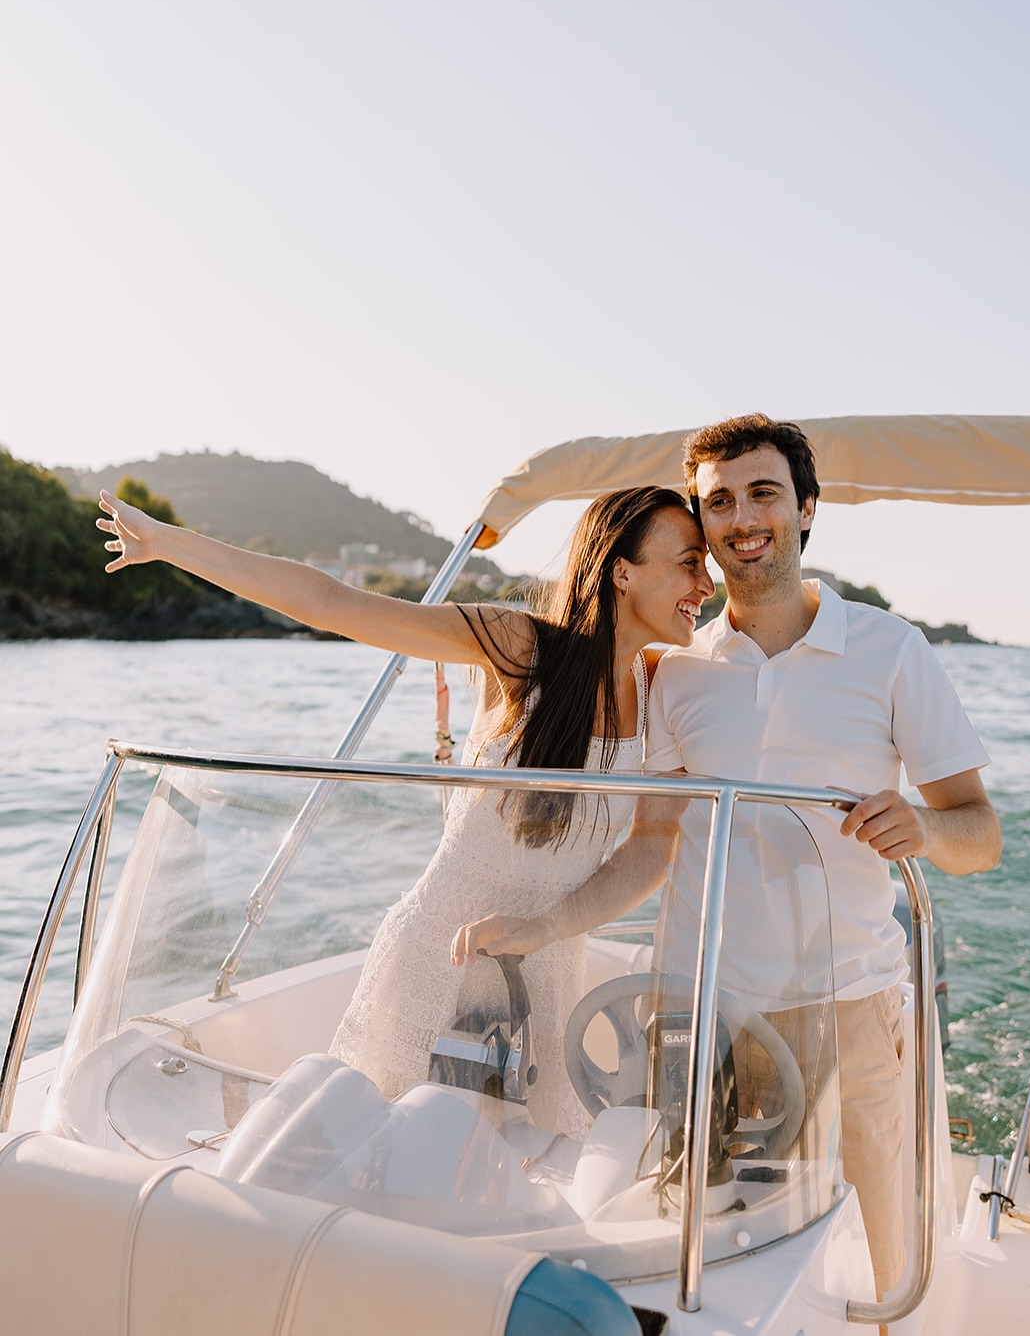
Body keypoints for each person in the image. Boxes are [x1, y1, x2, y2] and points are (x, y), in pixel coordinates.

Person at [454, 413, 1001, 1298]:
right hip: (695, 1011)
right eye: (718, 502)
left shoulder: (890, 650)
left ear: (806, 509)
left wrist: (928, 831)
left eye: (762, 494)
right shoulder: (676, 669)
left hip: (845, 1006)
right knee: (700, 1256)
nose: (742, 518)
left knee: (881, 1260)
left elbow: (980, 833)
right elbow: (650, 847)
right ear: (703, 525)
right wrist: (540, 927)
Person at [97, 483, 714, 1134]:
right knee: (389, 1157)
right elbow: (332, 602)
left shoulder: (663, 692)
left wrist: (544, 928)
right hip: (437, 959)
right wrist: (169, 543)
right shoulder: (522, 648)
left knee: (516, 1172)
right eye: (689, 562)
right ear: (622, 571)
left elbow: (651, 848)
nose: (706, 584)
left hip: (552, 967)